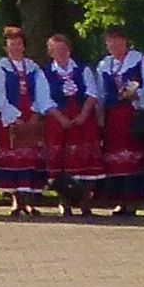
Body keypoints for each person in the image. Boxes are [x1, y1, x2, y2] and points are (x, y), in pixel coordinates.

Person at [86, 25, 144, 217]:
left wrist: (135, 94)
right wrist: (99, 114)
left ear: (125, 41)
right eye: (109, 41)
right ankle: (119, 200)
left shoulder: (139, 60)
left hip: (132, 114)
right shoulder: (104, 65)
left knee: (133, 157)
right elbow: (99, 92)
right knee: (114, 159)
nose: (113, 44)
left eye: (117, 40)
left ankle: (133, 200)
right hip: (112, 116)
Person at [0, 25, 53, 216]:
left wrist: (34, 115)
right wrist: (15, 117)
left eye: (18, 44)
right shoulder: (0, 68)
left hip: (31, 118)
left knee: (32, 159)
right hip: (11, 120)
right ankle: (17, 201)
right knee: (14, 161)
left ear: (24, 46)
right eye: (11, 45)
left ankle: (31, 201)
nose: (15, 48)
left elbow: (43, 93)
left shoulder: (33, 68)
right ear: (6, 48)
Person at [39, 26, 99, 216]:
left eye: (63, 49)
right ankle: (64, 201)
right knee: (60, 163)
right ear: (50, 52)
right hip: (58, 121)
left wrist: (83, 115)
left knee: (85, 162)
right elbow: (44, 100)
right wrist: (61, 118)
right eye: (55, 50)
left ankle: (85, 202)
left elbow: (92, 93)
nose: (60, 53)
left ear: (69, 50)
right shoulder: (45, 73)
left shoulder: (82, 69)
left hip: (83, 119)